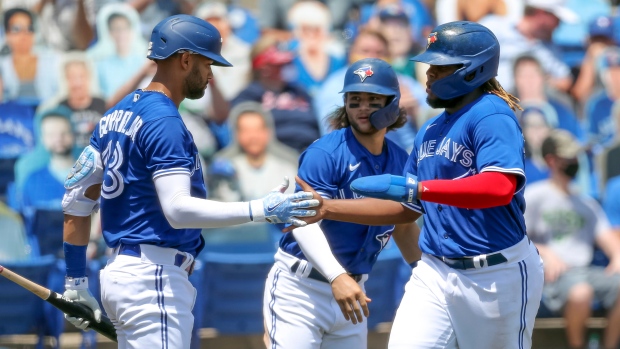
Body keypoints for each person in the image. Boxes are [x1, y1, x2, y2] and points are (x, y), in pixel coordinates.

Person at [60, 15, 319, 349]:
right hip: (153, 277)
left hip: (123, 274)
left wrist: (76, 281)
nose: (211, 75)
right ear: (185, 59)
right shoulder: (165, 120)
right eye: (207, 63)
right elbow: (178, 210)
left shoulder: (114, 114)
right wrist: (261, 209)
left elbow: (76, 201)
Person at [316, 21, 544, 348]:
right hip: (435, 271)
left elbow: (499, 188)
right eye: (429, 67)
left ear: (471, 70)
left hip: (495, 274)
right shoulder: (431, 129)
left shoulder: (491, 114)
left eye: (439, 68)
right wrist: (327, 208)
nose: (428, 75)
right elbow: (405, 209)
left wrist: (421, 190)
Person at [264, 57, 421, 349]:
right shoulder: (325, 152)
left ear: (393, 103)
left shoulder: (402, 161)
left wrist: (427, 272)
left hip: (354, 292)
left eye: (373, 99)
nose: (362, 107)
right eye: (355, 99)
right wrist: (336, 276)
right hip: (301, 289)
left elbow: (402, 224)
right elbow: (303, 221)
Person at [525, 130, 620, 349]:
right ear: (552, 160)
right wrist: (546, 252)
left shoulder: (586, 203)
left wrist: (617, 256)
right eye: (569, 157)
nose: (575, 162)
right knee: (581, 292)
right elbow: (517, 239)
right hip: (554, 276)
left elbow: (608, 239)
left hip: (586, 270)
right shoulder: (535, 195)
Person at [207, 101, 299, 202]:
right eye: (246, 130)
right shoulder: (225, 170)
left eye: (258, 129)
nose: (253, 136)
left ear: (268, 132)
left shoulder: (288, 168)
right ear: (236, 134)